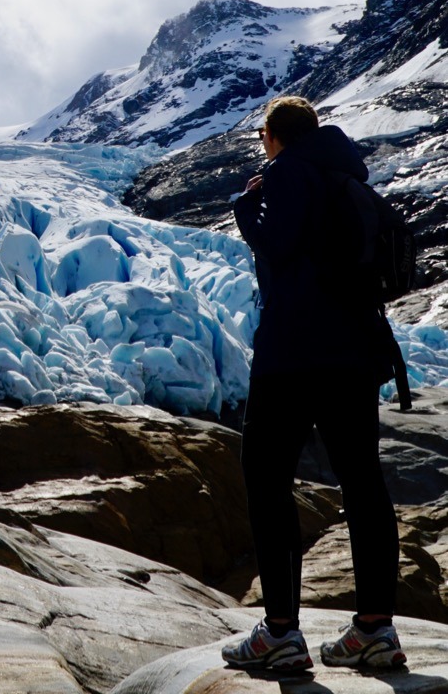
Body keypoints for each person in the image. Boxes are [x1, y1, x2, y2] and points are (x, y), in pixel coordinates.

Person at [220, 95, 405, 673]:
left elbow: (279, 244)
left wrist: (247, 206)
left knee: (266, 477)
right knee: (364, 484)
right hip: (354, 352)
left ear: (274, 136)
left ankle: (279, 632)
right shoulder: (344, 176)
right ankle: (374, 630)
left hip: (295, 355)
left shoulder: (289, 173)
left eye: (262, 136)